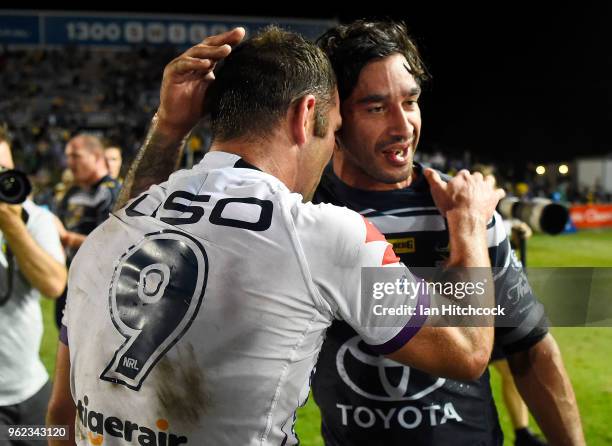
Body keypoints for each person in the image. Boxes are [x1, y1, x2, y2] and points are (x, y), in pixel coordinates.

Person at [47, 27, 504, 445]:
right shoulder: (322, 237)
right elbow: (466, 350)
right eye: (336, 130)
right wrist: (468, 226)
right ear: (306, 116)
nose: (329, 153)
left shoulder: (107, 238)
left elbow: (60, 420)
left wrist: (168, 126)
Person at [309, 20, 583, 446]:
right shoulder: (303, 215)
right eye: (376, 107)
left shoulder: (463, 207)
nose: (403, 127)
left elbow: (529, 348)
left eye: (411, 101)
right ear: (335, 115)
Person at [0, 124, 67, 444]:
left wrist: (12, 225)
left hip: (31, 391)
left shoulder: (32, 219)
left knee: (56, 436)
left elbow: (54, 285)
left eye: (4, 170)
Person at [53, 133, 121, 328]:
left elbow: (113, 246)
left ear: (97, 157)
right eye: (67, 157)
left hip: (97, 284)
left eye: (76, 156)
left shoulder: (110, 192)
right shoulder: (73, 192)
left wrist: (67, 238)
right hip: (70, 276)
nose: (70, 163)